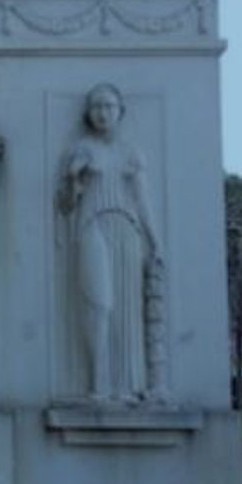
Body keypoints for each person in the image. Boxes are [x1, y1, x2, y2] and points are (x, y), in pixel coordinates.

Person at [59, 83, 162, 402]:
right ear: (88, 114)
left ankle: (126, 387)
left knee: (126, 310)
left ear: (120, 111)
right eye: (97, 107)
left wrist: (155, 241)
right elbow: (65, 205)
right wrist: (74, 178)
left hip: (127, 230)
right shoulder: (81, 149)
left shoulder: (132, 152)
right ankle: (97, 383)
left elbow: (142, 200)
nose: (102, 113)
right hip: (92, 226)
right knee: (99, 303)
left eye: (108, 106)